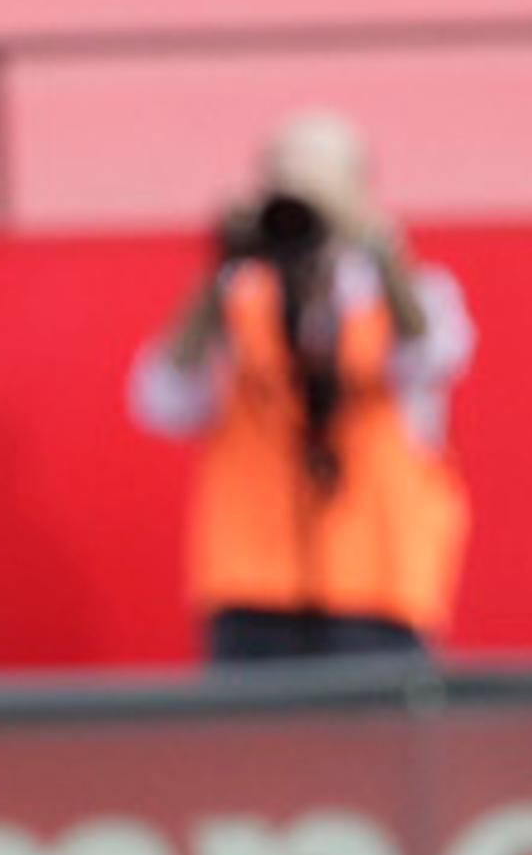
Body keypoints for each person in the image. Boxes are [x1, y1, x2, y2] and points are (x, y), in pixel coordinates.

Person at [129, 110, 475, 667]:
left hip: (377, 587)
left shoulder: (404, 294)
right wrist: (219, 273)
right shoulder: (237, 298)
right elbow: (163, 398)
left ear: (359, 193)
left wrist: (383, 255)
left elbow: (433, 353)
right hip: (252, 591)